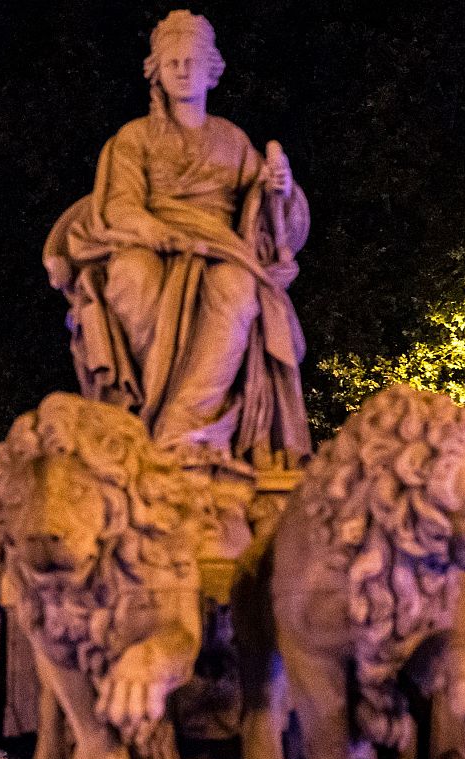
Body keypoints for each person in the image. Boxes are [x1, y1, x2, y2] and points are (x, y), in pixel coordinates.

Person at [43, 9, 310, 467]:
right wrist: (163, 235)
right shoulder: (134, 139)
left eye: (192, 61)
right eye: (173, 62)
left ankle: (183, 428)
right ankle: (154, 415)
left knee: (237, 288)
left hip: (220, 249)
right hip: (154, 242)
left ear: (211, 70)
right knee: (130, 276)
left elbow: (267, 214)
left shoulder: (232, 140)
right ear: (158, 72)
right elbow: (120, 207)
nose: (183, 70)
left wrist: (279, 189)